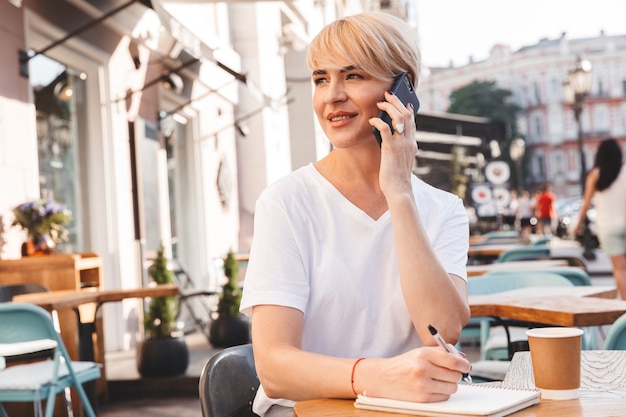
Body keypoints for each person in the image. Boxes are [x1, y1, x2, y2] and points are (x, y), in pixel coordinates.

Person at [239, 12, 471, 417]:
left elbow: (441, 332)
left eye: (354, 76)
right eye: (320, 78)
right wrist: (378, 376)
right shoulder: (286, 202)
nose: (331, 96)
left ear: (403, 91)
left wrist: (398, 192)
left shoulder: (444, 209)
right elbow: (274, 366)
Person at [574, 138, 626, 299]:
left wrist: (578, 224)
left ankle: (625, 306)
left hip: (607, 227)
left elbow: (586, 204)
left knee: (619, 269)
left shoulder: (595, 175)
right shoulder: (625, 171)